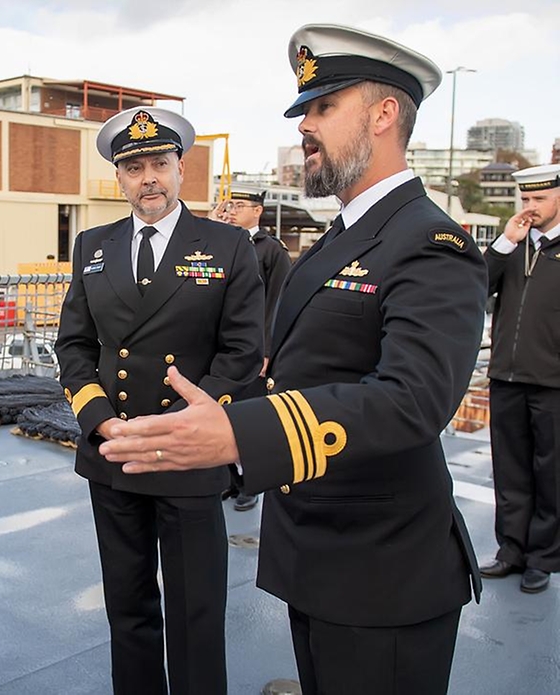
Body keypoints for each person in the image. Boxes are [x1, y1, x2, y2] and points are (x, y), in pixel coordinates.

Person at [100, 24, 488, 695]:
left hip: (383, 574)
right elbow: (294, 370)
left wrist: (237, 433)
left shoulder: (430, 240)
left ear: (384, 113)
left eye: (323, 106)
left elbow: (414, 399)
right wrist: (216, 418)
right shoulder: (350, 234)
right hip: (321, 555)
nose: (305, 124)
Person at [55, 106, 264, 695]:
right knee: (128, 607)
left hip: (188, 455)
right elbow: (73, 343)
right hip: (114, 452)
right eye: (134, 167)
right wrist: (98, 420)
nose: (148, 177)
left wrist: (188, 423)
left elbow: (243, 350)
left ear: (180, 170)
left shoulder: (226, 245)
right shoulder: (94, 245)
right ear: (119, 178)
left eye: (159, 164)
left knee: (197, 614)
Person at [480, 163, 560, 594]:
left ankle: (542, 557)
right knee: (509, 468)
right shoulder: (513, 247)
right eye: (525, 200)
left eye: (539, 200)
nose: (529, 208)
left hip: (553, 382)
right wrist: (505, 243)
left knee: (551, 473)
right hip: (506, 376)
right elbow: (476, 285)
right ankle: (511, 549)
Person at [211, 187, 292, 511]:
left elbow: (278, 304)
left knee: (251, 420)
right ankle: (229, 480)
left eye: (239, 206)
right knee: (223, 416)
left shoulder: (271, 251)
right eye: (229, 205)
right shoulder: (223, 244)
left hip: (255, 352)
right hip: (223, 350)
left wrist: (267, 351)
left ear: (257, 211)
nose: (232, 211)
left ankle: (251, 484)